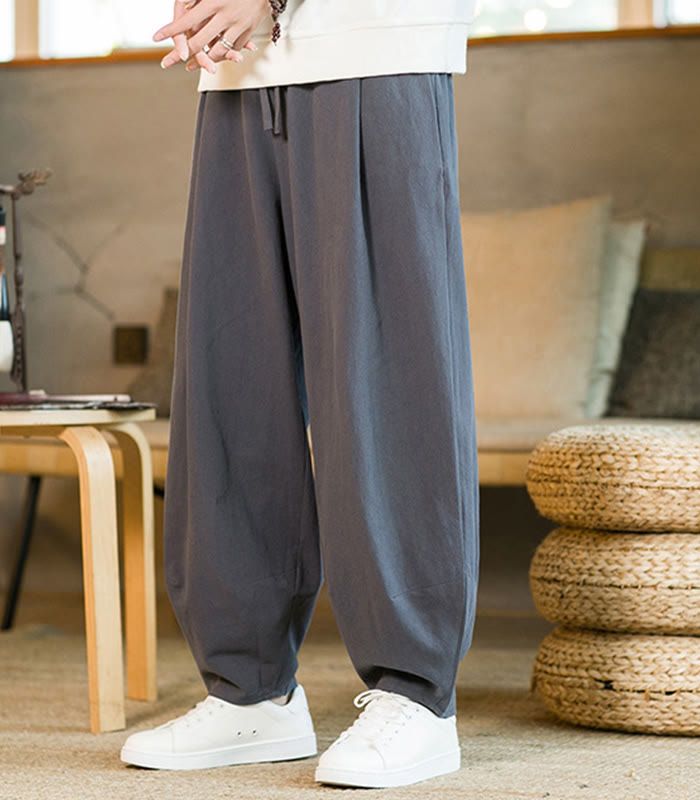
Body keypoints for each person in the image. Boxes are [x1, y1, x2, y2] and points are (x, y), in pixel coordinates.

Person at [120, 0, 479, 789]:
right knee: (231, 381)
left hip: (376, 46)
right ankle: (251, 691)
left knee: (381, 383)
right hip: (240, 71)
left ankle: (417, 696)